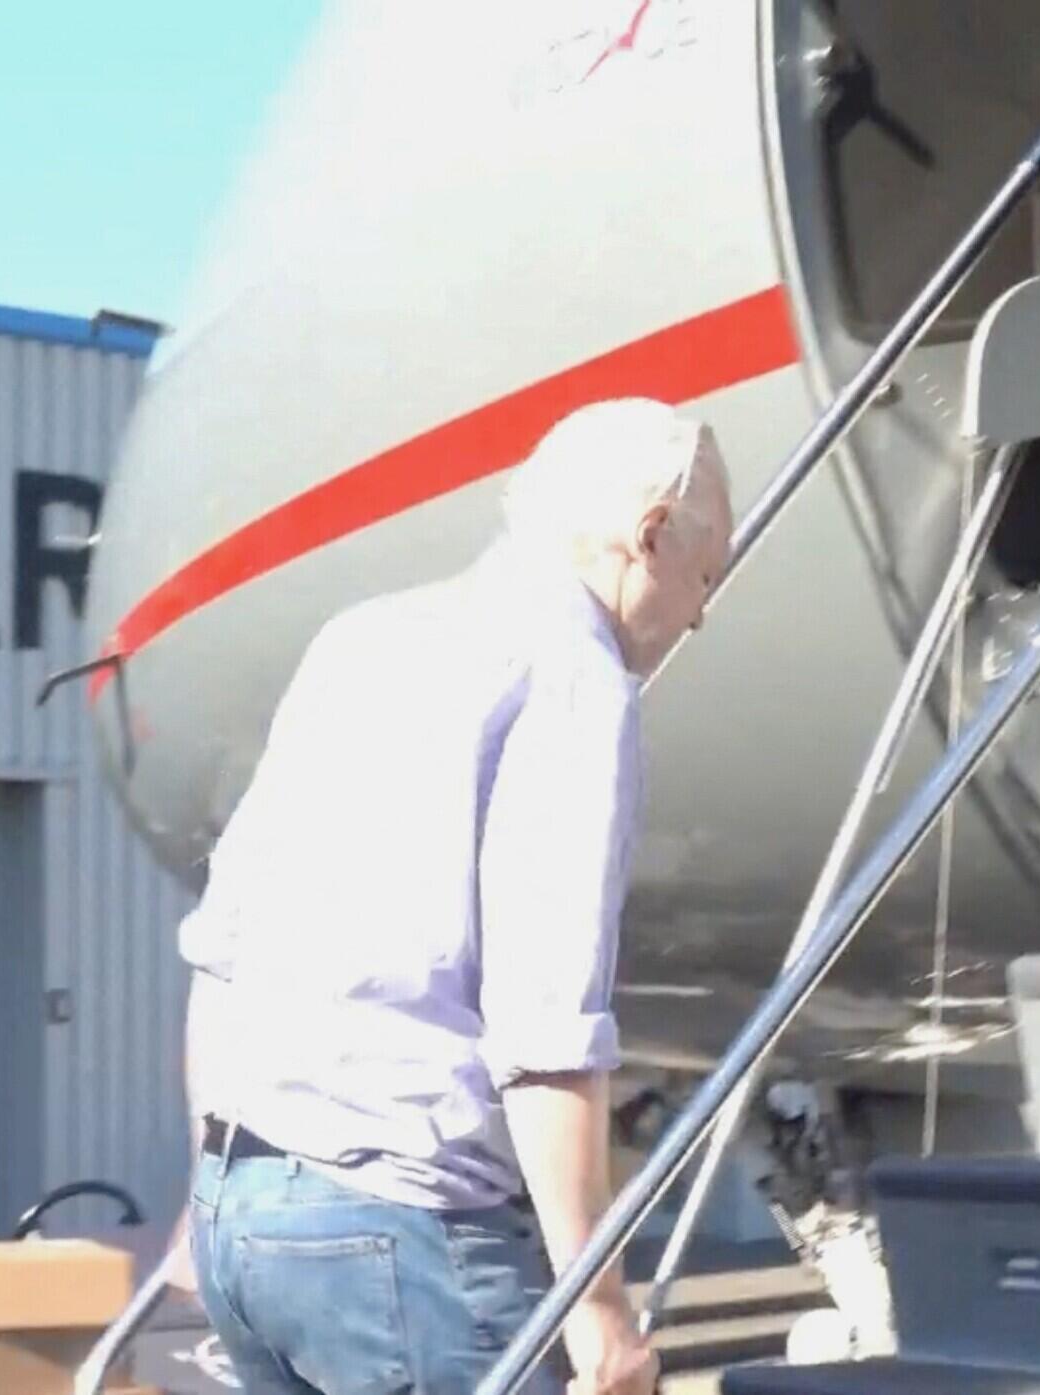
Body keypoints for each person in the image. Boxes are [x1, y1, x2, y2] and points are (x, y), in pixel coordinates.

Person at [185, 398, 731, 1395]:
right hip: (405, 1235)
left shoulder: (363, 638)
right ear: (647, 537)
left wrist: (206, 1193)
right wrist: (598, 1311)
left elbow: (224, 948)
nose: (696, 613)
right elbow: (544, 1033)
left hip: (244, 1210)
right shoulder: (573, 678)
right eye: (705, 577)